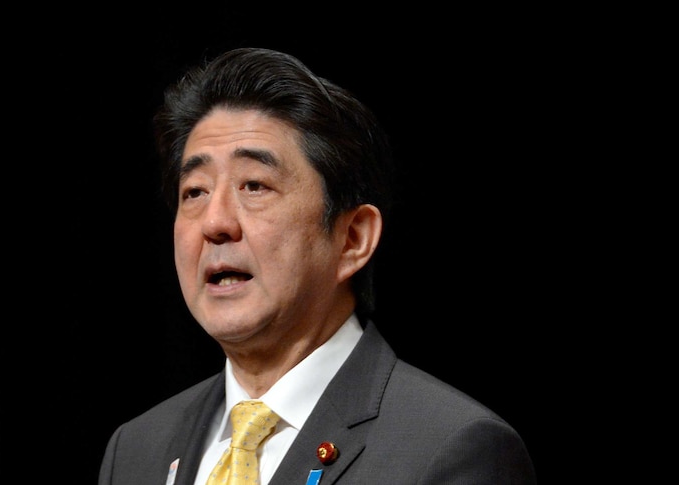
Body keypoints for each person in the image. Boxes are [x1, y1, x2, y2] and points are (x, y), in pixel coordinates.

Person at [98, 47, 536, 484]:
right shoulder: (136, 449)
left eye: (254, 185)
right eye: (195, 191)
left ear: (353, 239)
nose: (215, 223)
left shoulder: (451, 450)